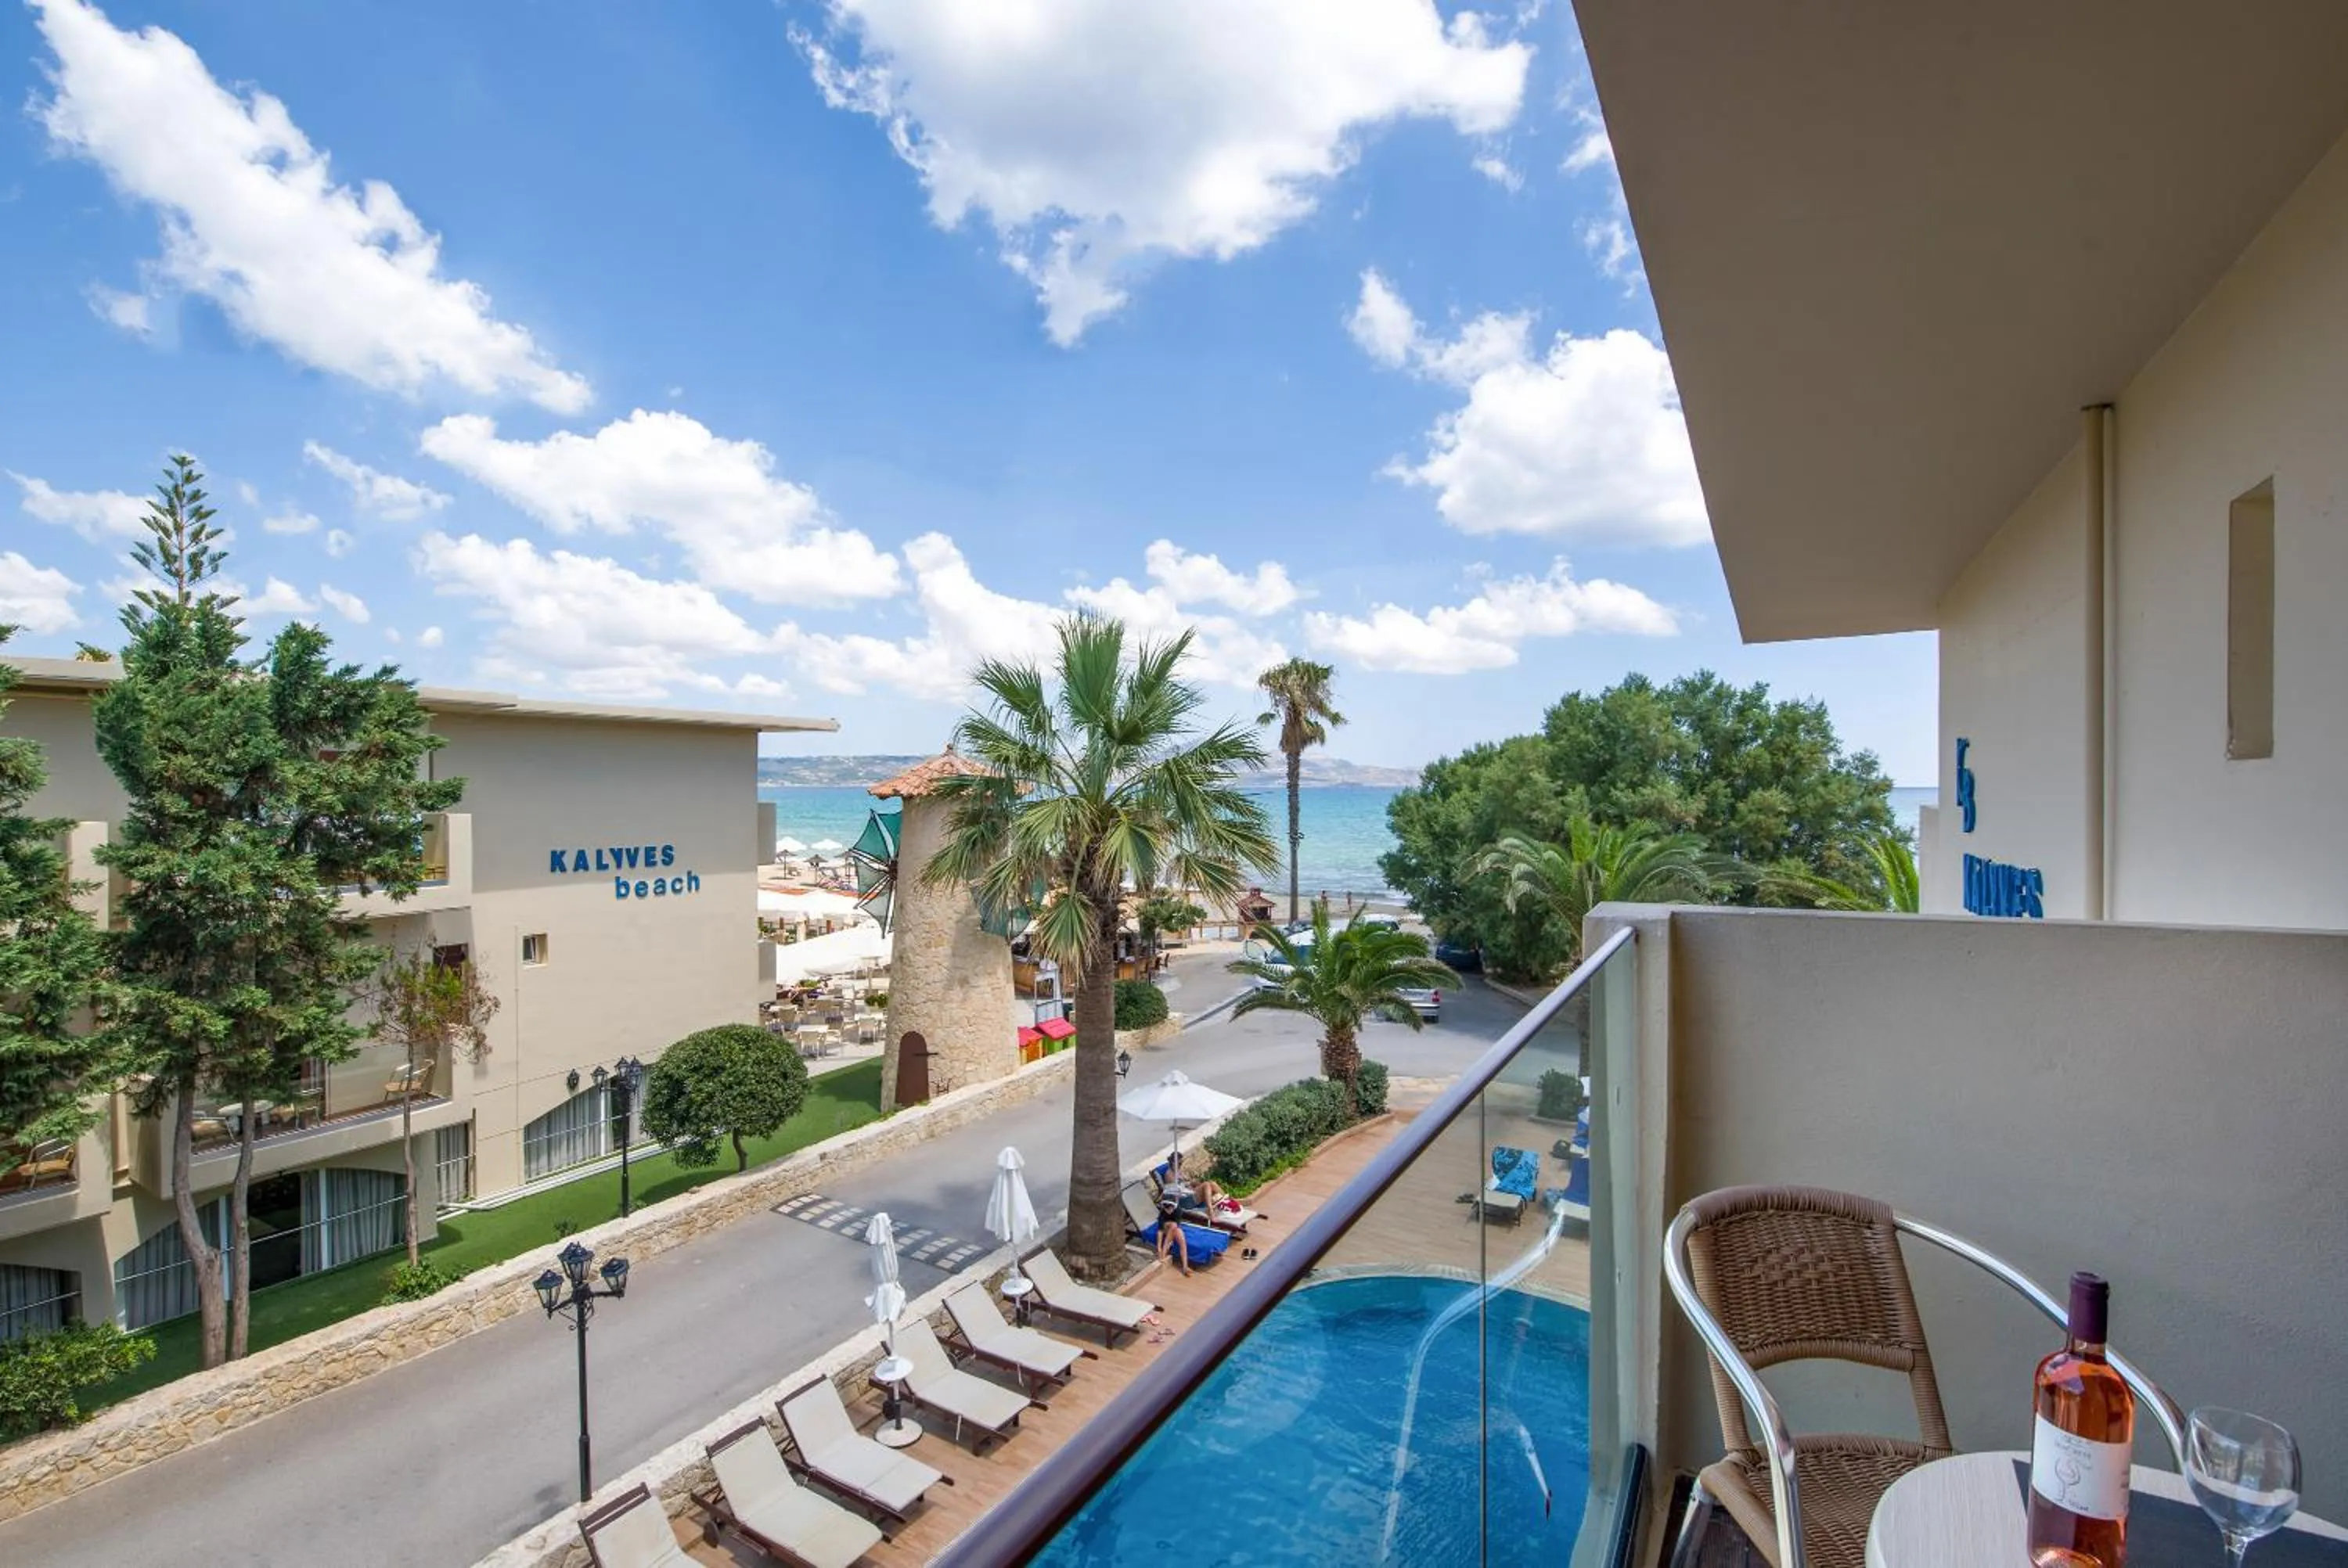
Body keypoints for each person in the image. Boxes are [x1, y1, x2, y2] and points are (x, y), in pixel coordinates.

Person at [1155, 1199, 1193, 1275]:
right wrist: (1159, 1247)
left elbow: (1176, 1227)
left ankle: (1185, 1267)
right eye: (1167, 1209)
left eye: (1170, 1209)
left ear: (1173, 1207)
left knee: (1182, 1240)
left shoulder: (1178, 1211)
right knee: (1173, 1225)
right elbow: (1160, 1231)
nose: (1169, 1211)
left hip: (1174, 1228)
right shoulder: (1162, 1213)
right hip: (1167, 1226)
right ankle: (1163, 1252)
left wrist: (1170, 1240)